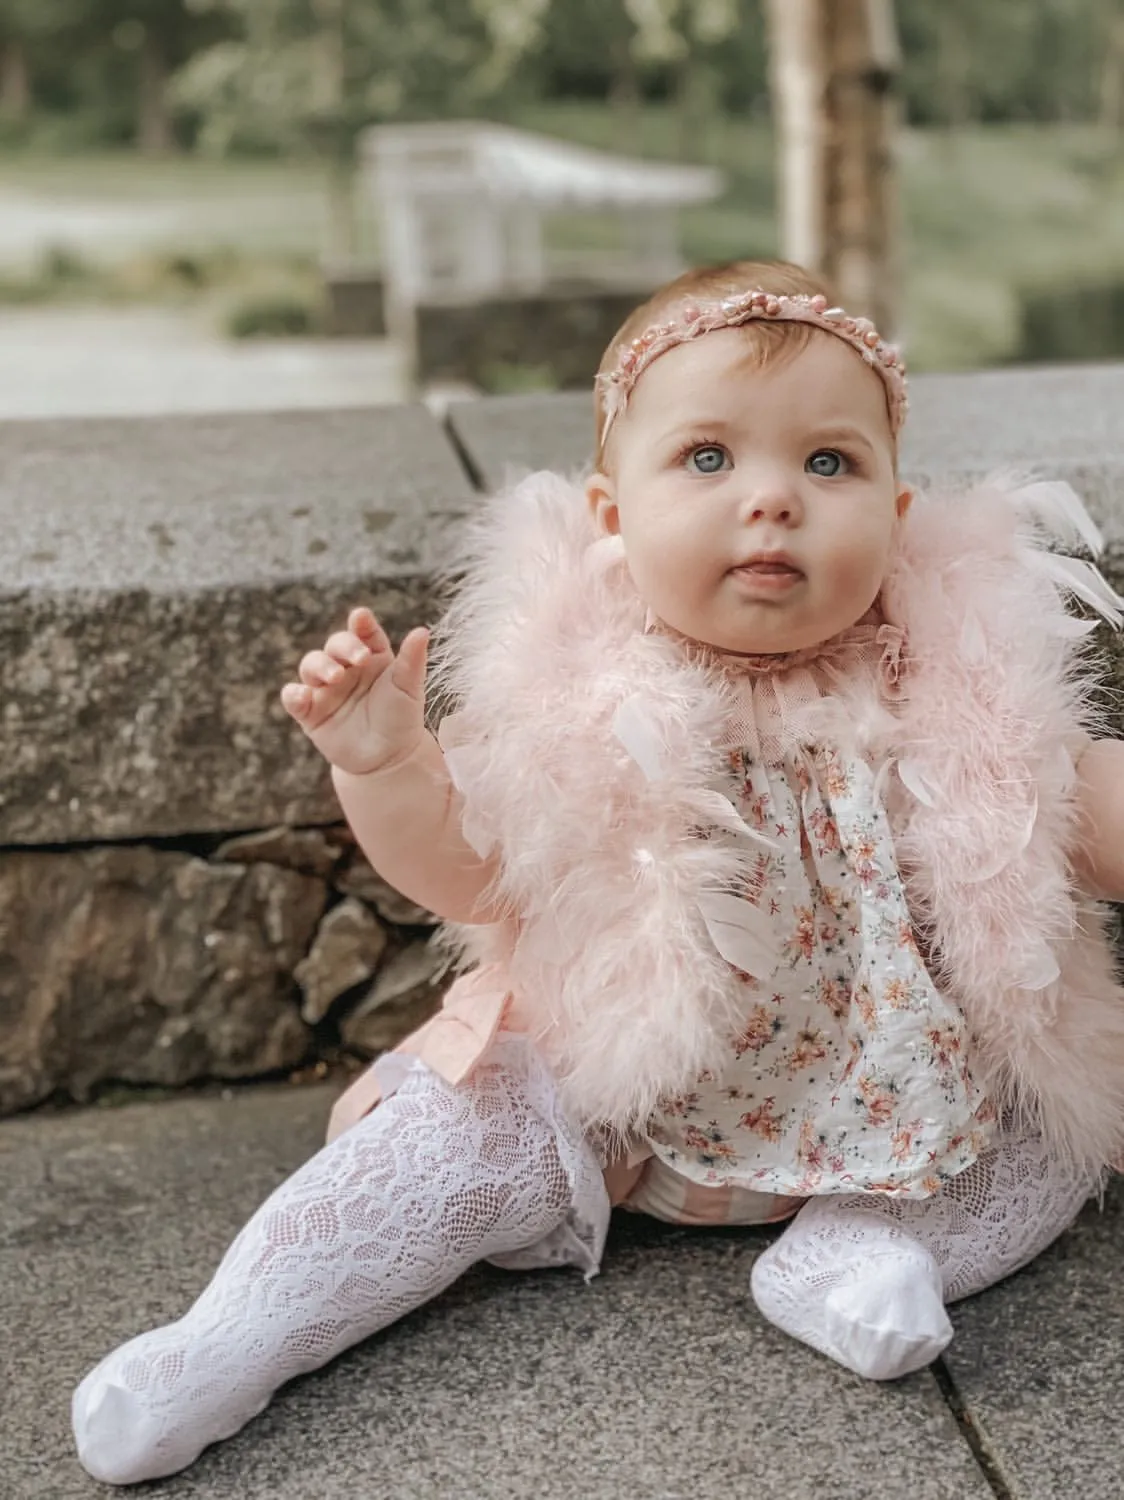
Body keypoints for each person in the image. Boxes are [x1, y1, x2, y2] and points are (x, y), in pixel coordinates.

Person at [72, 259, 1124, 1485]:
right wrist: (383, 764)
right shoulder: (569, 696)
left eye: (827, 464)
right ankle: (234, 1336)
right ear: (611, 514)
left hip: (900, 1102)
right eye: (708, 460)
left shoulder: (953, 690)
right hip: (606, 1107)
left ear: (897, 516)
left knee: (1055, 1126)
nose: (772, 501)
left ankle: (868, 1254)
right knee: (435, 1139)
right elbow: (469, 869)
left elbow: (1074, 811)